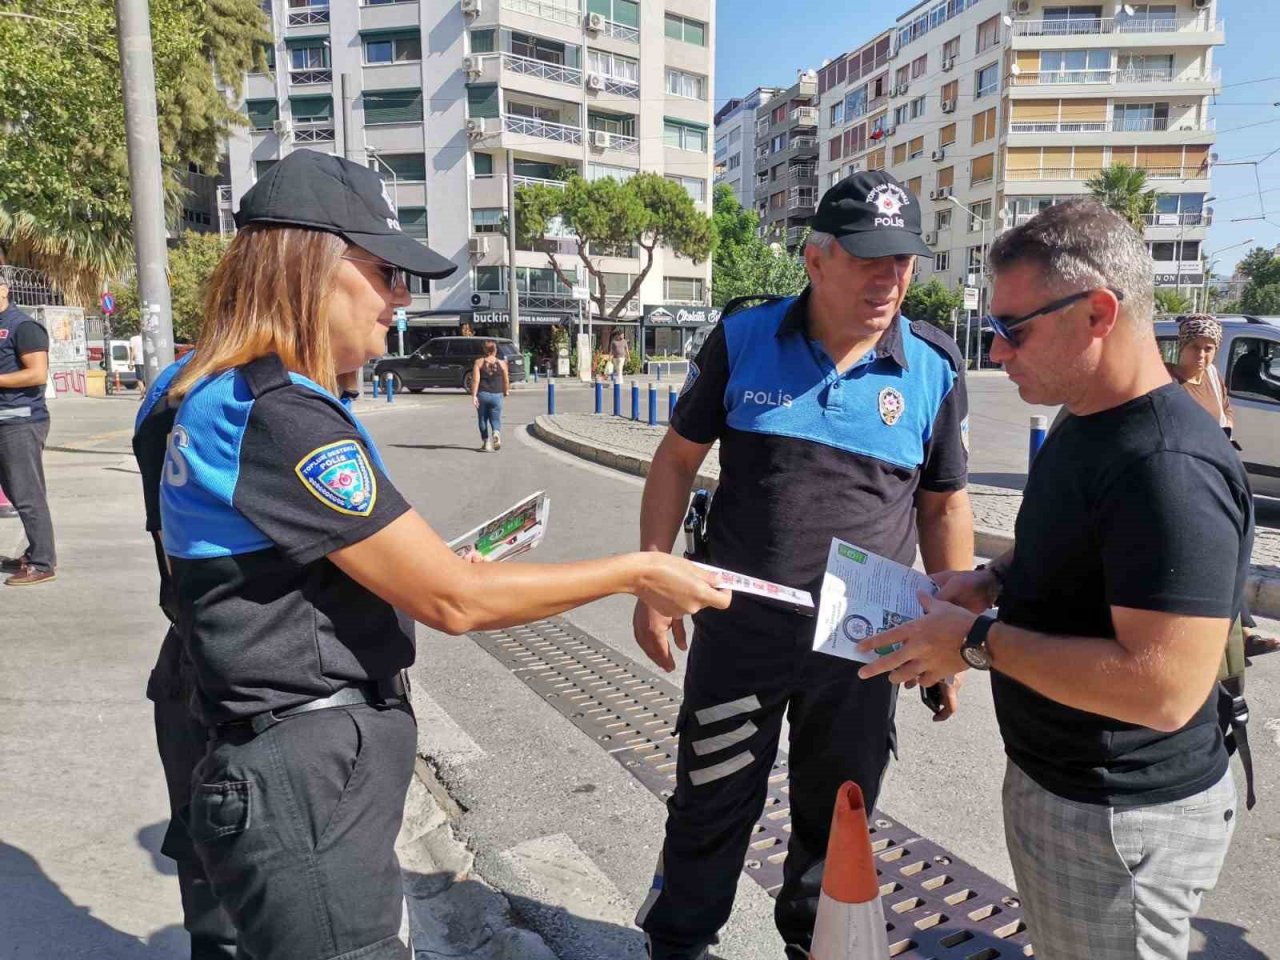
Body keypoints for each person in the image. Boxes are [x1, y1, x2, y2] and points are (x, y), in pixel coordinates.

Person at [160, 149, 729, 960]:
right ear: (311, 265)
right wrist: (637, 570)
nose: (401, 299)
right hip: (303, 778)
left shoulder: (219, 390)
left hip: (287, 765)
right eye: (388, 272)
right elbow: (453, 602)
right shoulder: (281, 414)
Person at [859, 199, 1250, 960]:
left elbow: (1163, 689)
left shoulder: (1168, 468)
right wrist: (990, 579)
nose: (998, 354)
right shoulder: (1087, 415)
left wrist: (974, 643)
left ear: (1098, 312)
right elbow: (1076, 546)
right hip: (1063, 785)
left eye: (1014, 330)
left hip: (1117, 816)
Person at [632, 170, 973, 960]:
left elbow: (945, 506)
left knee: (839, 819)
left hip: (861, 650)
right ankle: (679, 945)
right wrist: (654, 582)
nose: (889, 279)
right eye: (868, 259)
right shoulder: (743, 339)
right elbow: (676, 460)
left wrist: (952, 634)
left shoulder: (933, 367)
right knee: (709, 806)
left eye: (904, 260)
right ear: (817, 260)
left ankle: (812, 950)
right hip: (738, 634)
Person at [133, 352, 239, 957]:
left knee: (210, 876)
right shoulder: (244, 396)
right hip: (238, 681)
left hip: (192, 658)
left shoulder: (175, 386)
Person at [1168, 314, 1275, 658]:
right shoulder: (1168, 382)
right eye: (1195, 347)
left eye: (1209, 348)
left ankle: (1238, 630)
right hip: (1184, 482)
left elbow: (1225, 413)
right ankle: (1232, 633)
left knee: (1234, 552)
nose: (1201, 355)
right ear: (1181, 347)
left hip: (1218, 478)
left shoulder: (1213, 377)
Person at [0, 271, 56, 586]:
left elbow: (36, 375)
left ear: (4, 289)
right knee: (12, 490)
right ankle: (34, 552)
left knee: (27, 494)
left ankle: (42, 562)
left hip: (21, 421)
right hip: (3, 420)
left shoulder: (23, 327)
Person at [470, 340, 508, 452]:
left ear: (485, 350)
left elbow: (475, 381)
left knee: (482, 419)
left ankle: (486, 442)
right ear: (495, 350)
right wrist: (506, 391)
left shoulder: (479, 362)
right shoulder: (502, 363)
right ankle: (496, 433)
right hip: (497, 394)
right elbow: (506, 380)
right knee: (496, 418)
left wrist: (474, 395)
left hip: (483, 394)